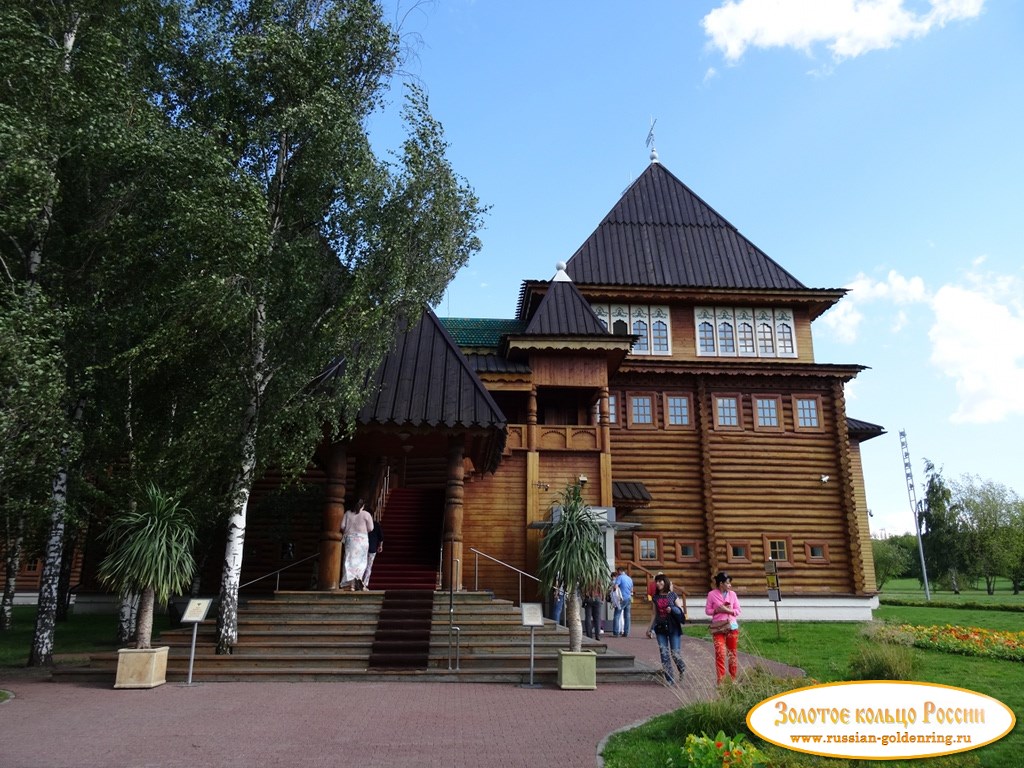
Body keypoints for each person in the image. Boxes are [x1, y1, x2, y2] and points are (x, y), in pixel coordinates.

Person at [646, 573, 686, 685]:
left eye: (660, 581)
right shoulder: (655, 597)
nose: (658, 584)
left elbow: (680, 610)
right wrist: (649, 628)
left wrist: (672, 609)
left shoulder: (672, 595)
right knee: (664, 653)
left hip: (673, 627)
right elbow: (654, 614)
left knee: (675, 653)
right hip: (660, 627)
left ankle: (682, 668)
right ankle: (670, 679)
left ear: (665, 582)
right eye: (657, 582)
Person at [705, 571, 741, 683]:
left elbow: (738, 611)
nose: (730, 585)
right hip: (718, 627)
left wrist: (728, 610)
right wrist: (716, 610)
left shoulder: (733, 595)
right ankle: (721, 681)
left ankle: (733, 679)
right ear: (721, 583)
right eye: (728, 583)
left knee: (732, 653)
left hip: (731, 626)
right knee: (720, 653)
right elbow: (707, 611)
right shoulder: (711, 594)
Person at [340, 498, 374, 590]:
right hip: (362, 540)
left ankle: (350, 584)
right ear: (363, 505)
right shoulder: (366, 514)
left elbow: (342, 526)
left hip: (350, 539)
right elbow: (371, 528)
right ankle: (358, 580)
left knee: (349, 560)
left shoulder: (347, 513)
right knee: (361, 561)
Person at [361, 515, 383, 589]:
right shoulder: (376, 524)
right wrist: (380, 546)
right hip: (372, 548)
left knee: (361, 564)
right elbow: (381, 537)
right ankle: (364, 583)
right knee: (368, 566)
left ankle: (359, 581)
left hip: (362, 547)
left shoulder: (362, 524)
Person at [612, 565, 634, 637]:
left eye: (617, 572)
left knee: (617, 615)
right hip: (628, 598)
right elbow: (631, 590)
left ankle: (616, 632)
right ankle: (626, 632)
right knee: (627, 616)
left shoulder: (619, 577)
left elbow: (615, 587)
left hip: (621, 598)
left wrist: (614, 592)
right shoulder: (629, 578)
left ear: (619, 571)